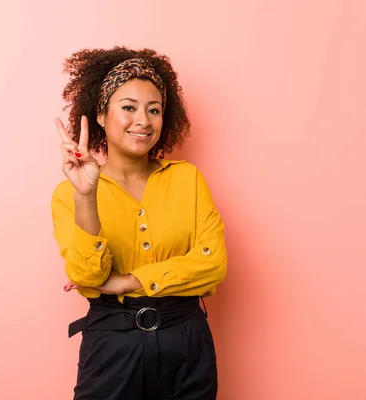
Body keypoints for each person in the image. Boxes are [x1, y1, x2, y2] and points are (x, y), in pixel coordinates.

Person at [51, 46, 228, 400]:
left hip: (187, 340)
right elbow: (87, 277)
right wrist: (86, 195)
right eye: (128, 107)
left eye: (154, 110)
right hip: (113, 344)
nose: (143, 121)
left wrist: (128, 281)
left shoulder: (187, 180)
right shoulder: (67, 192)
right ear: (101, 114)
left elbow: (213, 265)